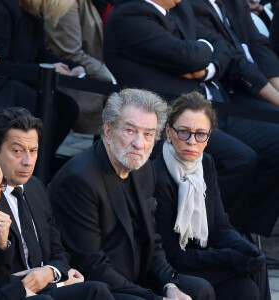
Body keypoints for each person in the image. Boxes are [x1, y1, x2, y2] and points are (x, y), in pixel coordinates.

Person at [103, 0, 279, 236]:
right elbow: (189, 56)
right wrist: (202, 52)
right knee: (240, 159)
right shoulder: (131, 15)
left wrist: (207, 68)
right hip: (170, 121)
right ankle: (209, 237)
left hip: (210, 107)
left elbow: (221, 47)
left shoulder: (180, 9)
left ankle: (242, 231)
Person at [49, 88, 215, 300]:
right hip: (99, 287)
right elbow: (91, 266)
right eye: (130, 131)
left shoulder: (143, 168)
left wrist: (169, 285)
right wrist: (154, 298)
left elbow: (152, 242)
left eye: (148, 134)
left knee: (199, 289)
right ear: (108, 131)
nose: (139, 144)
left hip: (137, 278)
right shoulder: (79, 181)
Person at [0, 107, 115, 300]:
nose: (28, 161)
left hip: (48, 288)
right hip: (11, 293)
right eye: (17, 151)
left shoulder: (36, 187)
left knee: (98, 291)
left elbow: (59, 253)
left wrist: (51, 272)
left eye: (33, 151)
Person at [153, 92, 271, 300]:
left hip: (197, 257)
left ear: (208, 137)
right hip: (167, 266)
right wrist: (229, 258)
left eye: (200, 134)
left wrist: (246, 249)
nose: (192, 141)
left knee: (250, 276)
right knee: (242, 275)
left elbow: (219, 224)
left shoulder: (205, 164)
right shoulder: (158, 175)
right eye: (184, 132)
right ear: (169, 132)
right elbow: (172, 254)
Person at [189, 0, 279, 236]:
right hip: (220, 95)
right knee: (252, 153)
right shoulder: (191, 5)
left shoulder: (234, 2)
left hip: (234, 92)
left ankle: (249, 230)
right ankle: (235, 231)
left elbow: (257, 45)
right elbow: (235, 61)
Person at [0, 0, 85, 152]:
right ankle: (33, 164)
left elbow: (38, 54)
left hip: (15, 79)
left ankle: (42, 165)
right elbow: (0, 68)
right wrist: (44, 70)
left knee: (68, 108)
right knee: (49, 113)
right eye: (45, 7)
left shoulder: (34, 13)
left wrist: (72, 66)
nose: (45, 12)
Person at [0, 149, 53, 299]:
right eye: (0, 185)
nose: (2, 191)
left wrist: (2, 245)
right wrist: (21, 290)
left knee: (95, 290)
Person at [44, 0, 115, 135]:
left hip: (103, 72)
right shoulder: (66, 4)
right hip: (82, 81)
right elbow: (70, 53)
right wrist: (112, 76)